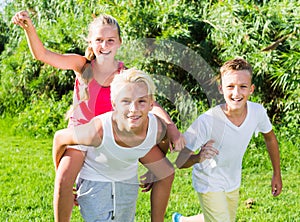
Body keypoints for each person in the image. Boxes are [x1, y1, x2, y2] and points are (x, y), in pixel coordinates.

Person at [12, 10, 185, 222]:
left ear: (119, 42)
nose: (104, 46)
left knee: (165, 172)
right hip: (84, 133)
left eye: (110, 40)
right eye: (99, 40)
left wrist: (172, 128)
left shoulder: (125, 75)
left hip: (115, 132)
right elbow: (43, 55)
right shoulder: (82, 66)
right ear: (91, 43)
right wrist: (29, 27)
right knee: (63, 179)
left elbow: (151, 104)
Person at [53, 68, 174, 221]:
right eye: (126, 101)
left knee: (167, 173)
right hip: (95, 177)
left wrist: (155, 169)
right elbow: (59, 138)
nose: (133, 109)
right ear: (114, 104)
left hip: (125, 178)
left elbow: (163, 143)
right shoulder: (97, 131)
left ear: (151, 104)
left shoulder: (157, 127)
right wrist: (61, 175)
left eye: (141, 101)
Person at [172, 58, 282, 222]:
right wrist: (197, 157)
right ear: (221, 89)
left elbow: (270, 139)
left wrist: (277, 174)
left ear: (251, 89)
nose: (236, 93)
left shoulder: (257, 112)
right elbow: (179, 161)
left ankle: (183, 221)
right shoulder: (207, 121)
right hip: (208, 182)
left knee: (224, 218)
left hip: (232, 180)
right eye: (230, 86)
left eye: (242, 86)